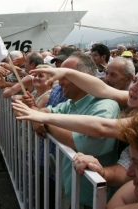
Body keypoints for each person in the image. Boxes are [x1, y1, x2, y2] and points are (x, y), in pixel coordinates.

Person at [12, 64, 138, 188]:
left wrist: (44, 118)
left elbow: (102, 127)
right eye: (135, 82)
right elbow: (102, 88)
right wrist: (66, 72)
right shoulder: (137, 101)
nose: (133, 88)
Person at [23, 52, 120, 208]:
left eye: (64, 76)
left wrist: (45, 122)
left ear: (83, 78)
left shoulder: (105, 107)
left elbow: (83, 143)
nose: (59, 82)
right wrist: (42, 116)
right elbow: (47, 112)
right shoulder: (73, 102)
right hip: (76, 192)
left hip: (94, 200)